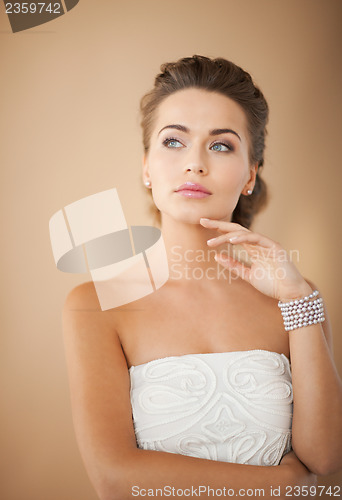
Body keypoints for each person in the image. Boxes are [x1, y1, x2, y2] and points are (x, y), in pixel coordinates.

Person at [62, 55, 342, 500]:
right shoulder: (95, 304)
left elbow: (326, 460)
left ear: (250, 175)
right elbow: (114, 479)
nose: (194, 163)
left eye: (220, 146)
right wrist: (284, 484)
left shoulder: (296, 297)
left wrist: (296, 298)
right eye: (173, 142)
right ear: (147, 167)